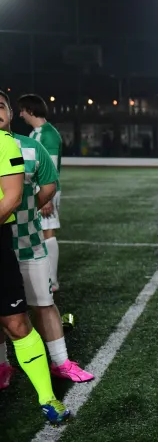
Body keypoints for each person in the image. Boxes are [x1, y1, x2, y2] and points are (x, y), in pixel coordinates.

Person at [0, 91, 93, 387]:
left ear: (11, 113)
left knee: (43, 303)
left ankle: (61, 362)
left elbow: (49, 186)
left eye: (0, 106)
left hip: (27, 243)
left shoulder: (31, 146)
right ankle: (3, 365)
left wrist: (28, 211)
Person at [0, 91, 69, 424]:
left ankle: (47, 397)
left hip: (3, 242)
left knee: (16, 322)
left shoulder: (7, 145)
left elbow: (13, 197)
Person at [17, 95, 63, 292]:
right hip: (38, 191)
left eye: (22, 110)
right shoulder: (37, 133)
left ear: (30, 110)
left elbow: (50, 169)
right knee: (39, 233)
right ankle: (44, 278)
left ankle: (51, 280)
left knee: (47, 232)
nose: (20, 115)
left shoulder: (48, 135)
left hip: (46, 193)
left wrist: (46, 199)